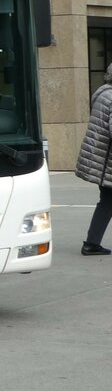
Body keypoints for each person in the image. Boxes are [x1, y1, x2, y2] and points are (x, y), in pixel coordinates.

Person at [76, 63, 112, 255]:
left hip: (103, 160)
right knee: (107, 202)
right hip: (107, 162)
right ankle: (91, 244)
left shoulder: (103, 93)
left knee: (106, 202)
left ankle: (92, 243)